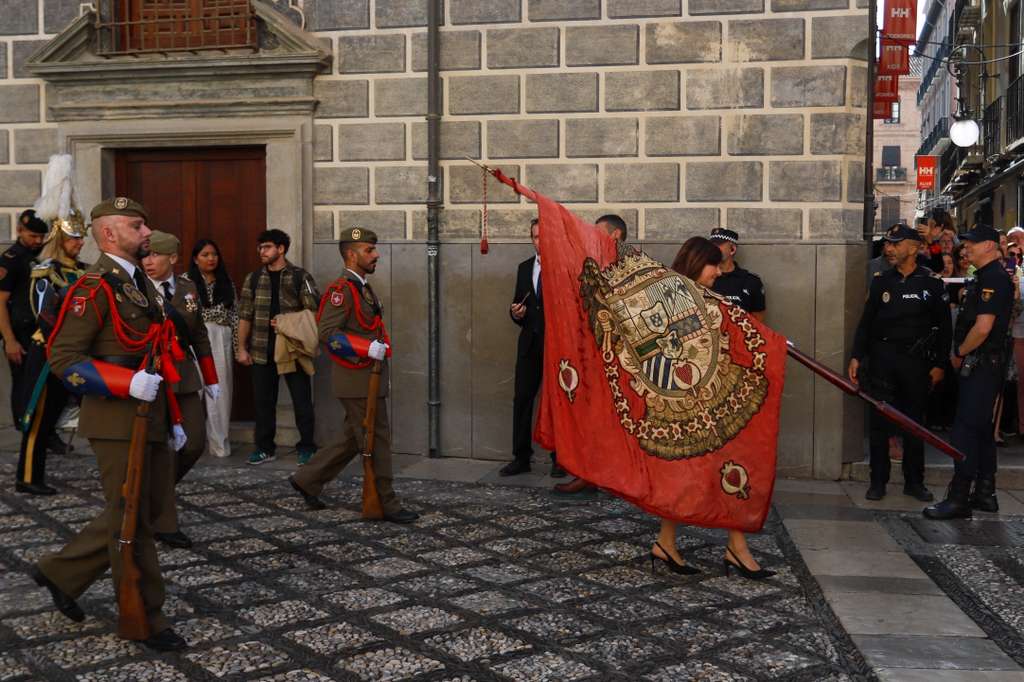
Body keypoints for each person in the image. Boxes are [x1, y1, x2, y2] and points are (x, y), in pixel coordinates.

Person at [33, 197, 186, 651]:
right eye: (137, 226)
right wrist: (124, 383)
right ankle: (145, 616)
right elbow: (63, 357)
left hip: (150, 412)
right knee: (131, 523)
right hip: (118, 418)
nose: (147, 233)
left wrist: (172, 415)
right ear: (109, 234)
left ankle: (60, 571)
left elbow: (155, 353)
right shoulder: (94, 287)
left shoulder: (137, 285)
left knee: (142, 511)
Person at [655, 236, 774, 580]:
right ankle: (679, 544)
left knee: (720, 468)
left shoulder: (704, 295)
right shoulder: (676, 296)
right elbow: (676, 340)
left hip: (713, 397)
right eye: (713, 267)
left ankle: (730, 546)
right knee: (693, 472)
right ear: (696, 264)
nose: (719, 274)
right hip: (689, 400)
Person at [289, 228, 418, 524]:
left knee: (352, 437)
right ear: (351, 254)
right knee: (377, 440)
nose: (376, 255)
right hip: (357, 378)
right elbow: (326, 333)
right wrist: (365, 348)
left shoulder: (363, 288)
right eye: (369, 250)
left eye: (374, 249)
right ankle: (386, 502)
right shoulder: (341, 291)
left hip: (367, 377)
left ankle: (306, 479)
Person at [848, 224, 952, 501]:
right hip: (882, 361)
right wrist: (857, 355)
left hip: (916, 363)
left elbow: (944, 329)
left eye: (895, 244)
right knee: (879, 424)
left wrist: (940, 364)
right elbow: (866, 323)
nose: (889, 249)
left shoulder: (930, 282)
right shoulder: (882, 280)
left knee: (914, 424)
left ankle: (914, 482)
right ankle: (877, 480)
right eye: (888, 244)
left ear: (913, 247)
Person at [925, 224, 1015, 519]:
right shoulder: (986, 277)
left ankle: (960, 496)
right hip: (983, 363)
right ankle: (985, 493)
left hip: (981, 363)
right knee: (981, 430)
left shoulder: (993, 279)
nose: (967, 249)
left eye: (972, 244)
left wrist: (960, 351)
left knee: (964, 429)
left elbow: (983, 327)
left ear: (990, 246)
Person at [144, 231, 220, 549]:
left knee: (194, 444)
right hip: (151, 378)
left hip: (185, 377)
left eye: (156, 255)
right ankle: (164, 522)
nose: (148, 261)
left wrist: (211, 377)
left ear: (172, 259)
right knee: (161, 451)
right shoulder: (135, 287)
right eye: (145, 255)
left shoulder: (188, 288)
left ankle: (149, 494)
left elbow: (199, 334)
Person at [552, 214, 629, 494]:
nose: (592, 238)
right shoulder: (591, 265)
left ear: (616, 235)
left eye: (598, 233)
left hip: (619, 358)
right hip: (590, 357)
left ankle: (620, 475)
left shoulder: (628, 266)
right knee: (591, 418)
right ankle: (588, 473)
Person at [15, 208, 88, 495]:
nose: (80, 242)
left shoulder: (83, 270)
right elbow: (43, 314)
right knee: (39, 417)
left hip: (72, 353)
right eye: (73, 238)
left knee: (56, 414)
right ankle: (28, 477)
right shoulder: (46, 270)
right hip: (47, 351)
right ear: (60, 238)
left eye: (81, 237)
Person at [237, 229, 320, 465]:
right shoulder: (253, 279)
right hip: (261, 349)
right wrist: (241, 348)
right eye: (260, 247)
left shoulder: (299, 276)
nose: (261, 251)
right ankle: (264, 448)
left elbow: (314, 313)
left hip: (292, 349)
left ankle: (307, 447)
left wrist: (287, 322)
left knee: (302, 400)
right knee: (263, 403)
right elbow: (245, 316)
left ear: (281, 249)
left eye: (267, 247)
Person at [502, 218, 559, 477]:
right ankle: (521, 457)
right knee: (522, 400)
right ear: (532, 239)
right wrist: (516, 312)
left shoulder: (563, 267)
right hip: (529, 344)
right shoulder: (524, 268)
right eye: (535, 237)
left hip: (557, 346)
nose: (540, 241)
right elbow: (518, 304)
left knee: (558, 403)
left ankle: (561, 459)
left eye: (543, 236)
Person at [188, 239, 237, 459]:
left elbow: (234, 316)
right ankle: (188, 444)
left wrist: (239, 347)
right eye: (205, 255)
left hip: (221, 336)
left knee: (220, 391)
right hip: (193, 338)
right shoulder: (185, 283)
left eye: (214, 254)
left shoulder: (226, 282)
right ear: (195, 259)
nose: (211, 259)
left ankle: (219, 444)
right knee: (192, 390)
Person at [1, 210, 47, 426]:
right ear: (19, 231)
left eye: (41, 237)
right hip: (19, 333)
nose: (37, 241)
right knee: (23, 383)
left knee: (39, 382)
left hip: (37, 331)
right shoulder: (11, 260)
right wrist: (10, 340)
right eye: (32, 236)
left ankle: (43, 430)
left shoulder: (37, 257)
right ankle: (24, 428)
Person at [708, 228, 766, 322]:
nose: (712, 249)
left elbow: (758, 322)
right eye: (711, 245)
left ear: (732, 249)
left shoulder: (751, 281)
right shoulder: (704, 277)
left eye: (718, 245)